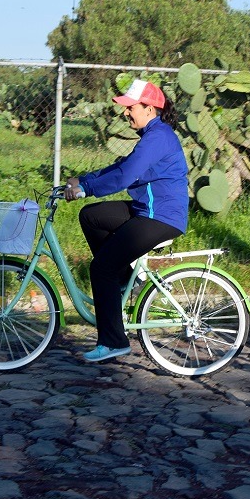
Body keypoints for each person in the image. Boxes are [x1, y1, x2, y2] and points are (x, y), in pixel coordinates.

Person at [65, 79, 189, 363]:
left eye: (130, 107)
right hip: (146, 209)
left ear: (149, 108)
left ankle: (114, 342)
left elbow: (125, 177)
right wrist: (83, 180)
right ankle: (123, 281)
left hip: (162, 217)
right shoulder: (151, 135)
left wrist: (85, 190)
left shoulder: (158, 137)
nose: (126, 113)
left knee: (101, 268)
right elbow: (121, 166)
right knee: (92, 216)